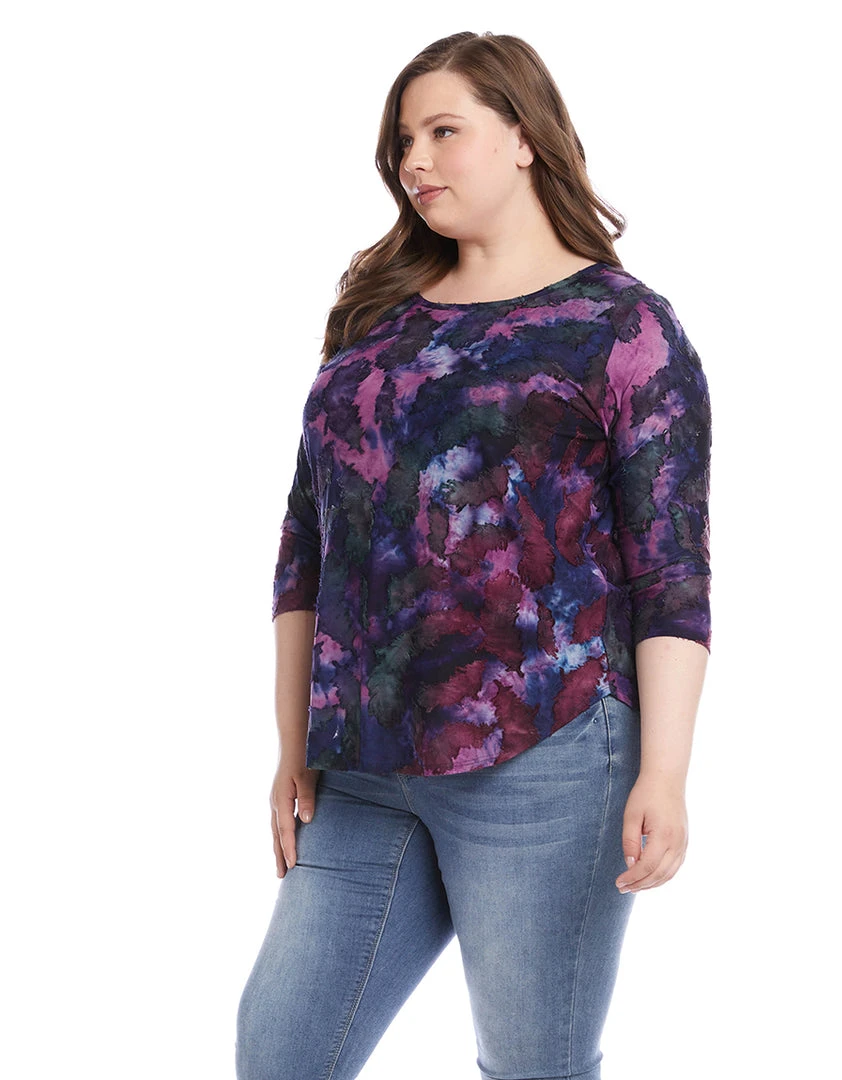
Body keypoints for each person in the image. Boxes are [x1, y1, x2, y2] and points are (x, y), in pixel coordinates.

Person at [235, 29, 712, 1080]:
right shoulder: (374, 326)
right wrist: (291, 746)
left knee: (534, 1066)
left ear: (523, 136)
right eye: (403, 141)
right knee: (280, 1053)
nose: (415, 161)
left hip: (547, 760)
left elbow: (671, 570)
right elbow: (306, 546)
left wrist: (666, 773)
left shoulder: (621, 328)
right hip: (362, 766)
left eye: (442, 131)